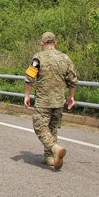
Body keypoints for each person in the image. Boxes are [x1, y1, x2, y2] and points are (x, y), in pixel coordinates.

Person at [24, 32, 77, 170]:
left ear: (43, 43)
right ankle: (49, 157)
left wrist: (26, 95)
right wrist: (71, 97)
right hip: (59, 101)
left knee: (40, 126)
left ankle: (55, 148)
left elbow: (30, 77)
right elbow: (72, 80)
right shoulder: (65, 58)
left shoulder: (38, 57)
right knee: (52, 128)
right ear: (54, 42)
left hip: (43, 100)